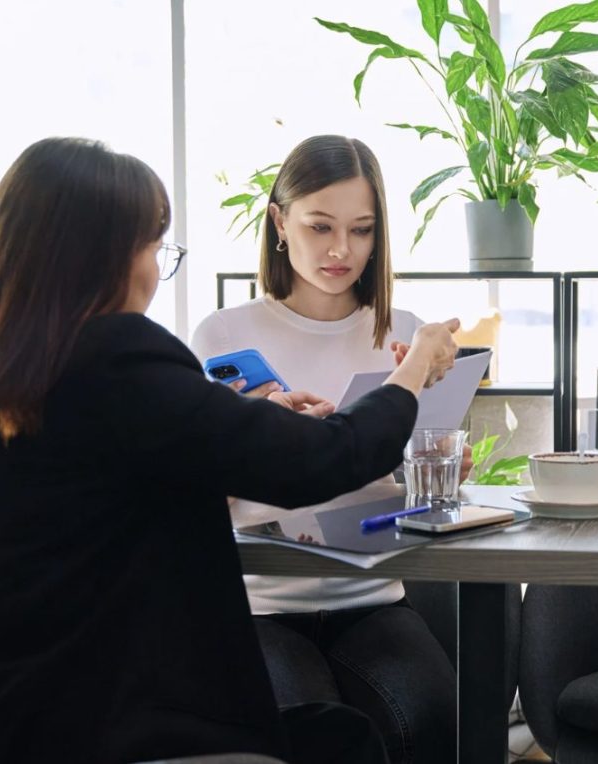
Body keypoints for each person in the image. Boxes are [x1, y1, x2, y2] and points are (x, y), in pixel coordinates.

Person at [0, 137, 459, 764]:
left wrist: (240, 423)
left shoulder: (3, 365)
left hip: (9, 708)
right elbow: (322, 461)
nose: (155, 270)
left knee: (353, 732)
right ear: (100, 255)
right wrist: (413, 370)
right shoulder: (119, 357)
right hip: (105, 707)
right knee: (337, 741)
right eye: (153, 248)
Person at [191, 135, 459, 764]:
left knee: (432, 717)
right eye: (320, 226)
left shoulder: (405, 333)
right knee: (313, 735)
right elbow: (196, 496)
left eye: (361, 230)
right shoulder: (224, 334)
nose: (342, 250)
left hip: (371, 596)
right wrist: (247, 440)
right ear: (280, 223)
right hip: (260, 604)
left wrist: (435, 467)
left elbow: (414, 487)